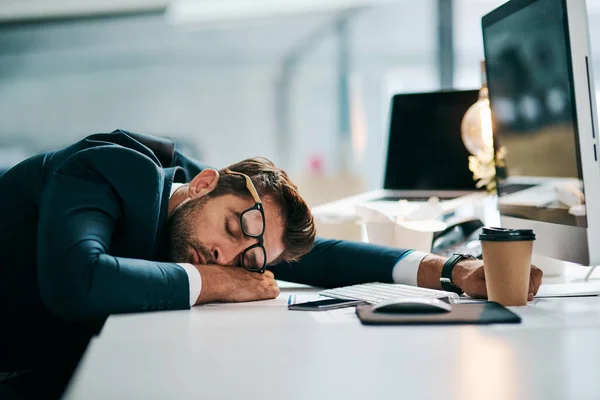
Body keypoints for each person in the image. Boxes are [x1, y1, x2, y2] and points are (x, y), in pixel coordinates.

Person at [0, 130, 542, 396]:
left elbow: (317, 255)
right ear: (205, 184)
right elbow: (77, 281)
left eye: (247, 258)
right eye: (233, 230)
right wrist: (215, 281)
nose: (229, 255)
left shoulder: (197, 192)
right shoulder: (109, 168)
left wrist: (449, 269)